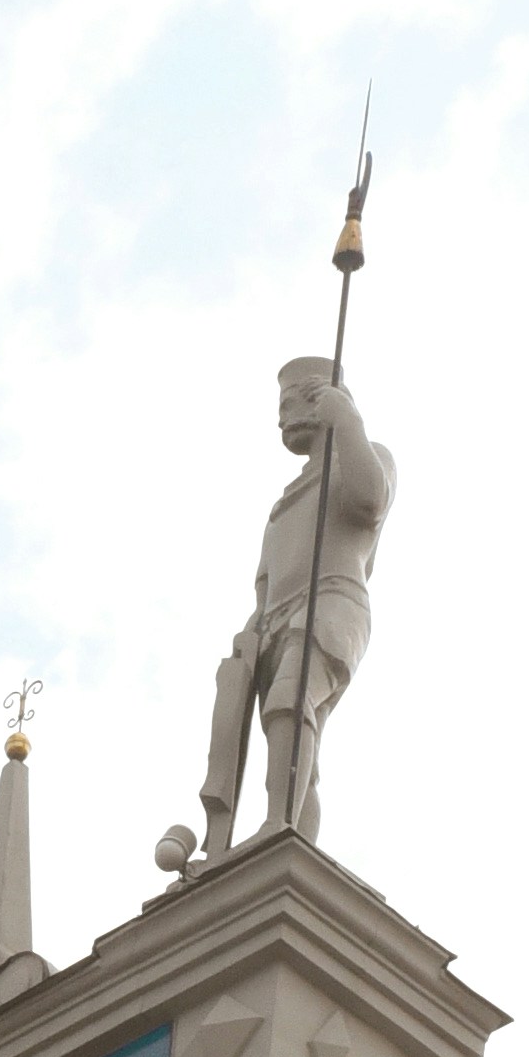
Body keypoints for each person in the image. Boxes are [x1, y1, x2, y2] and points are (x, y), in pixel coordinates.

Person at [196, 361, 394, 859]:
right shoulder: (287, 498)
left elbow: (370, 502)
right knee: (290, 731)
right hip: (277, 618)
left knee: (291, 701)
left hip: (332, 603)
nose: (281, 418)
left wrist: (348, 420)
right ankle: (292, 835)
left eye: (290, 404)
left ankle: (276, 824)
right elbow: (266, 576)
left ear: (321, 397)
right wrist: (254, 624)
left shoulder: (365, 457)